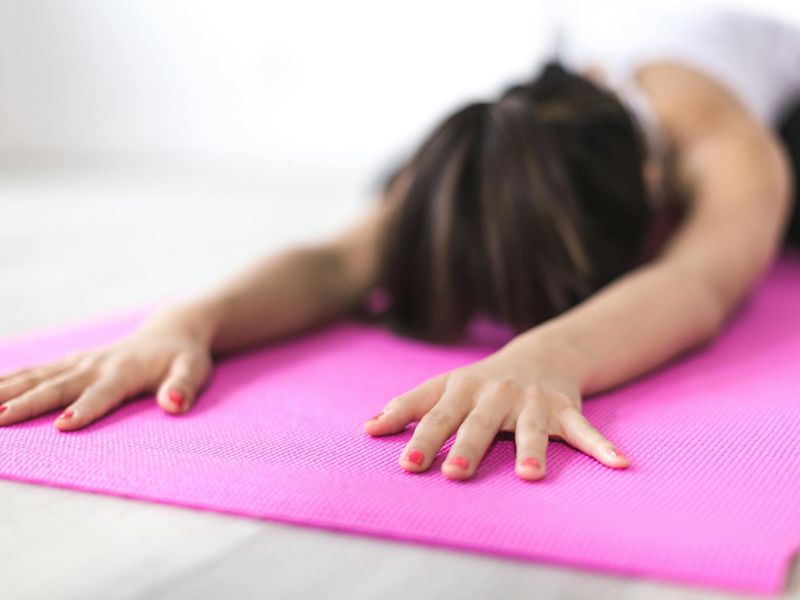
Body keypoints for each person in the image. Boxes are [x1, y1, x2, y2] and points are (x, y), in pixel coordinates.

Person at [1, 3, 799, 483]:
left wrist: (543, 358)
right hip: (566, 94)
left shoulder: (725, 148)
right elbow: (337, 260)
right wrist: (187, 321)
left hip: (769, 98)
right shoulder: (506, 140)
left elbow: (700, 281)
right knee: (419, 194)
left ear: (653, 211)